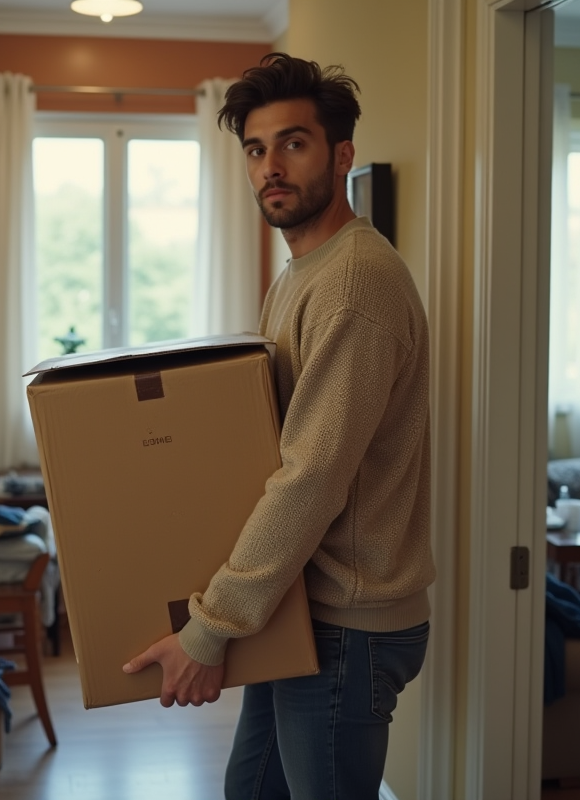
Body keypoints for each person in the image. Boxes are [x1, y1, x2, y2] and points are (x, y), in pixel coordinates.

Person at [123, 52, 435, 799]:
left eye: (293, 143)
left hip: (346, 624)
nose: (271, 166)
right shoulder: (303, 272)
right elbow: (271, 435)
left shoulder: (354, 284)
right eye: (256, 149)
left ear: (341, 154)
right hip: (301, 605)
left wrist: (210, 626)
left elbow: (312, 475)